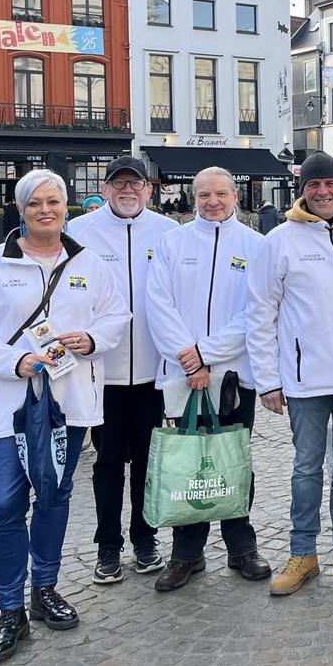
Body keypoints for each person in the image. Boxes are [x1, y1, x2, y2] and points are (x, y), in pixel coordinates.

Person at [0, 169, 130, 664]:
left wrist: (92, 339)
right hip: (9, 404)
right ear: (21, 210)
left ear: (65, 206)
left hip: (69, 401)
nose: (45, 211)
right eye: (35, 204)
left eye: (54, 201)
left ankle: (44, 590)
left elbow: (116, 315)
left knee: (54, 495)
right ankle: (10, 611)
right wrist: (14, 361)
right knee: (5, 503)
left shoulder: (88, 263)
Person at [247, 152, 333, 596]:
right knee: (306, 467)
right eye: (315, 185)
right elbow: (260, 314)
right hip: (305, 379)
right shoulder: (280, 240)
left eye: (331, 184)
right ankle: (302, 552)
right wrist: (268, 379)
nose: (324, 192)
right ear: (302, 190)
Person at [145, 167, 270, 590]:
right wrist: (190, 360)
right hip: (182, 373)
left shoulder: (256, 246)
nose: (213, 201)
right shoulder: (172, 242)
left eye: (220, 193)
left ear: (236, 195)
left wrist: (207, 354)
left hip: (234, 373)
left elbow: (256, 312)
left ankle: (241, 546)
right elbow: (158, 305)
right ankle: (186, 552)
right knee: (187, 462)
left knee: (234, 458)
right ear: (192, 197)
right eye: (203, 194)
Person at [66, 156, 178, 584]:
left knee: (150, 462)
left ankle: (145, 538)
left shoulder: (169, 234)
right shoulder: (80, 232)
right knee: (108, 462)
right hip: (101, 372)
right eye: (119, 185)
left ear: (149, 191)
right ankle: (108, 545)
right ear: (106, 189)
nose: (128, 191)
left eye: (136, 185)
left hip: (153, 372)